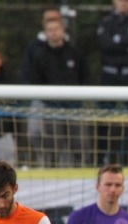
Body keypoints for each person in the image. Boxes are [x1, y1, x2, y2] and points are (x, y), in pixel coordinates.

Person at [26, 15, 89, 167]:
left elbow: (85, 78)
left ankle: (80, 173)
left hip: (74, 108)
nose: (54, 32)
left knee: (79, 144)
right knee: (53, 145)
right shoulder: (39, 55)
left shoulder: (75, 53)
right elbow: (35, 81)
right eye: (50, 30)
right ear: (45, 33)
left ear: (63, 30)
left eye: (56, 29)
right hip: (51, 108)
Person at [97, 0, 128, 163]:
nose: (123, 3)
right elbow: (105, 45)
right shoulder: (106, 22)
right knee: (104, 116)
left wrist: (117, 40)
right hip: (109, 75)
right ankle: (101, 156)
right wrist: (127, 43)